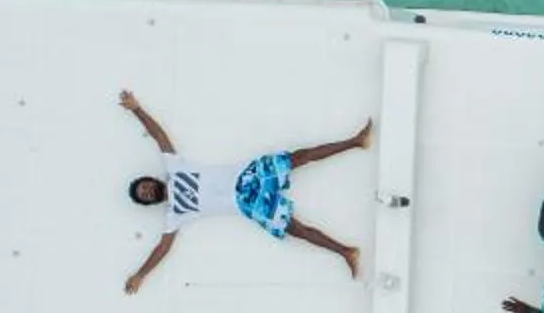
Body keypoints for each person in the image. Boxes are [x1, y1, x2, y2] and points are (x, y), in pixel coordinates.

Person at [117, 90, 369, 291]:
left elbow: (158, 135)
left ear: (151, 180)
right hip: (245, 205)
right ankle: (346, 252)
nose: (148, 191)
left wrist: (136, 109)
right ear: (150, 202)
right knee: (297, 230)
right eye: (145, 196)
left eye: (146, 186)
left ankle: (355, 141)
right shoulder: (175, 214)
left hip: (247, 175)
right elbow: (162, 249)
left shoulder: (175, 168)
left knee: (300, 157)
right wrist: (141, 275)